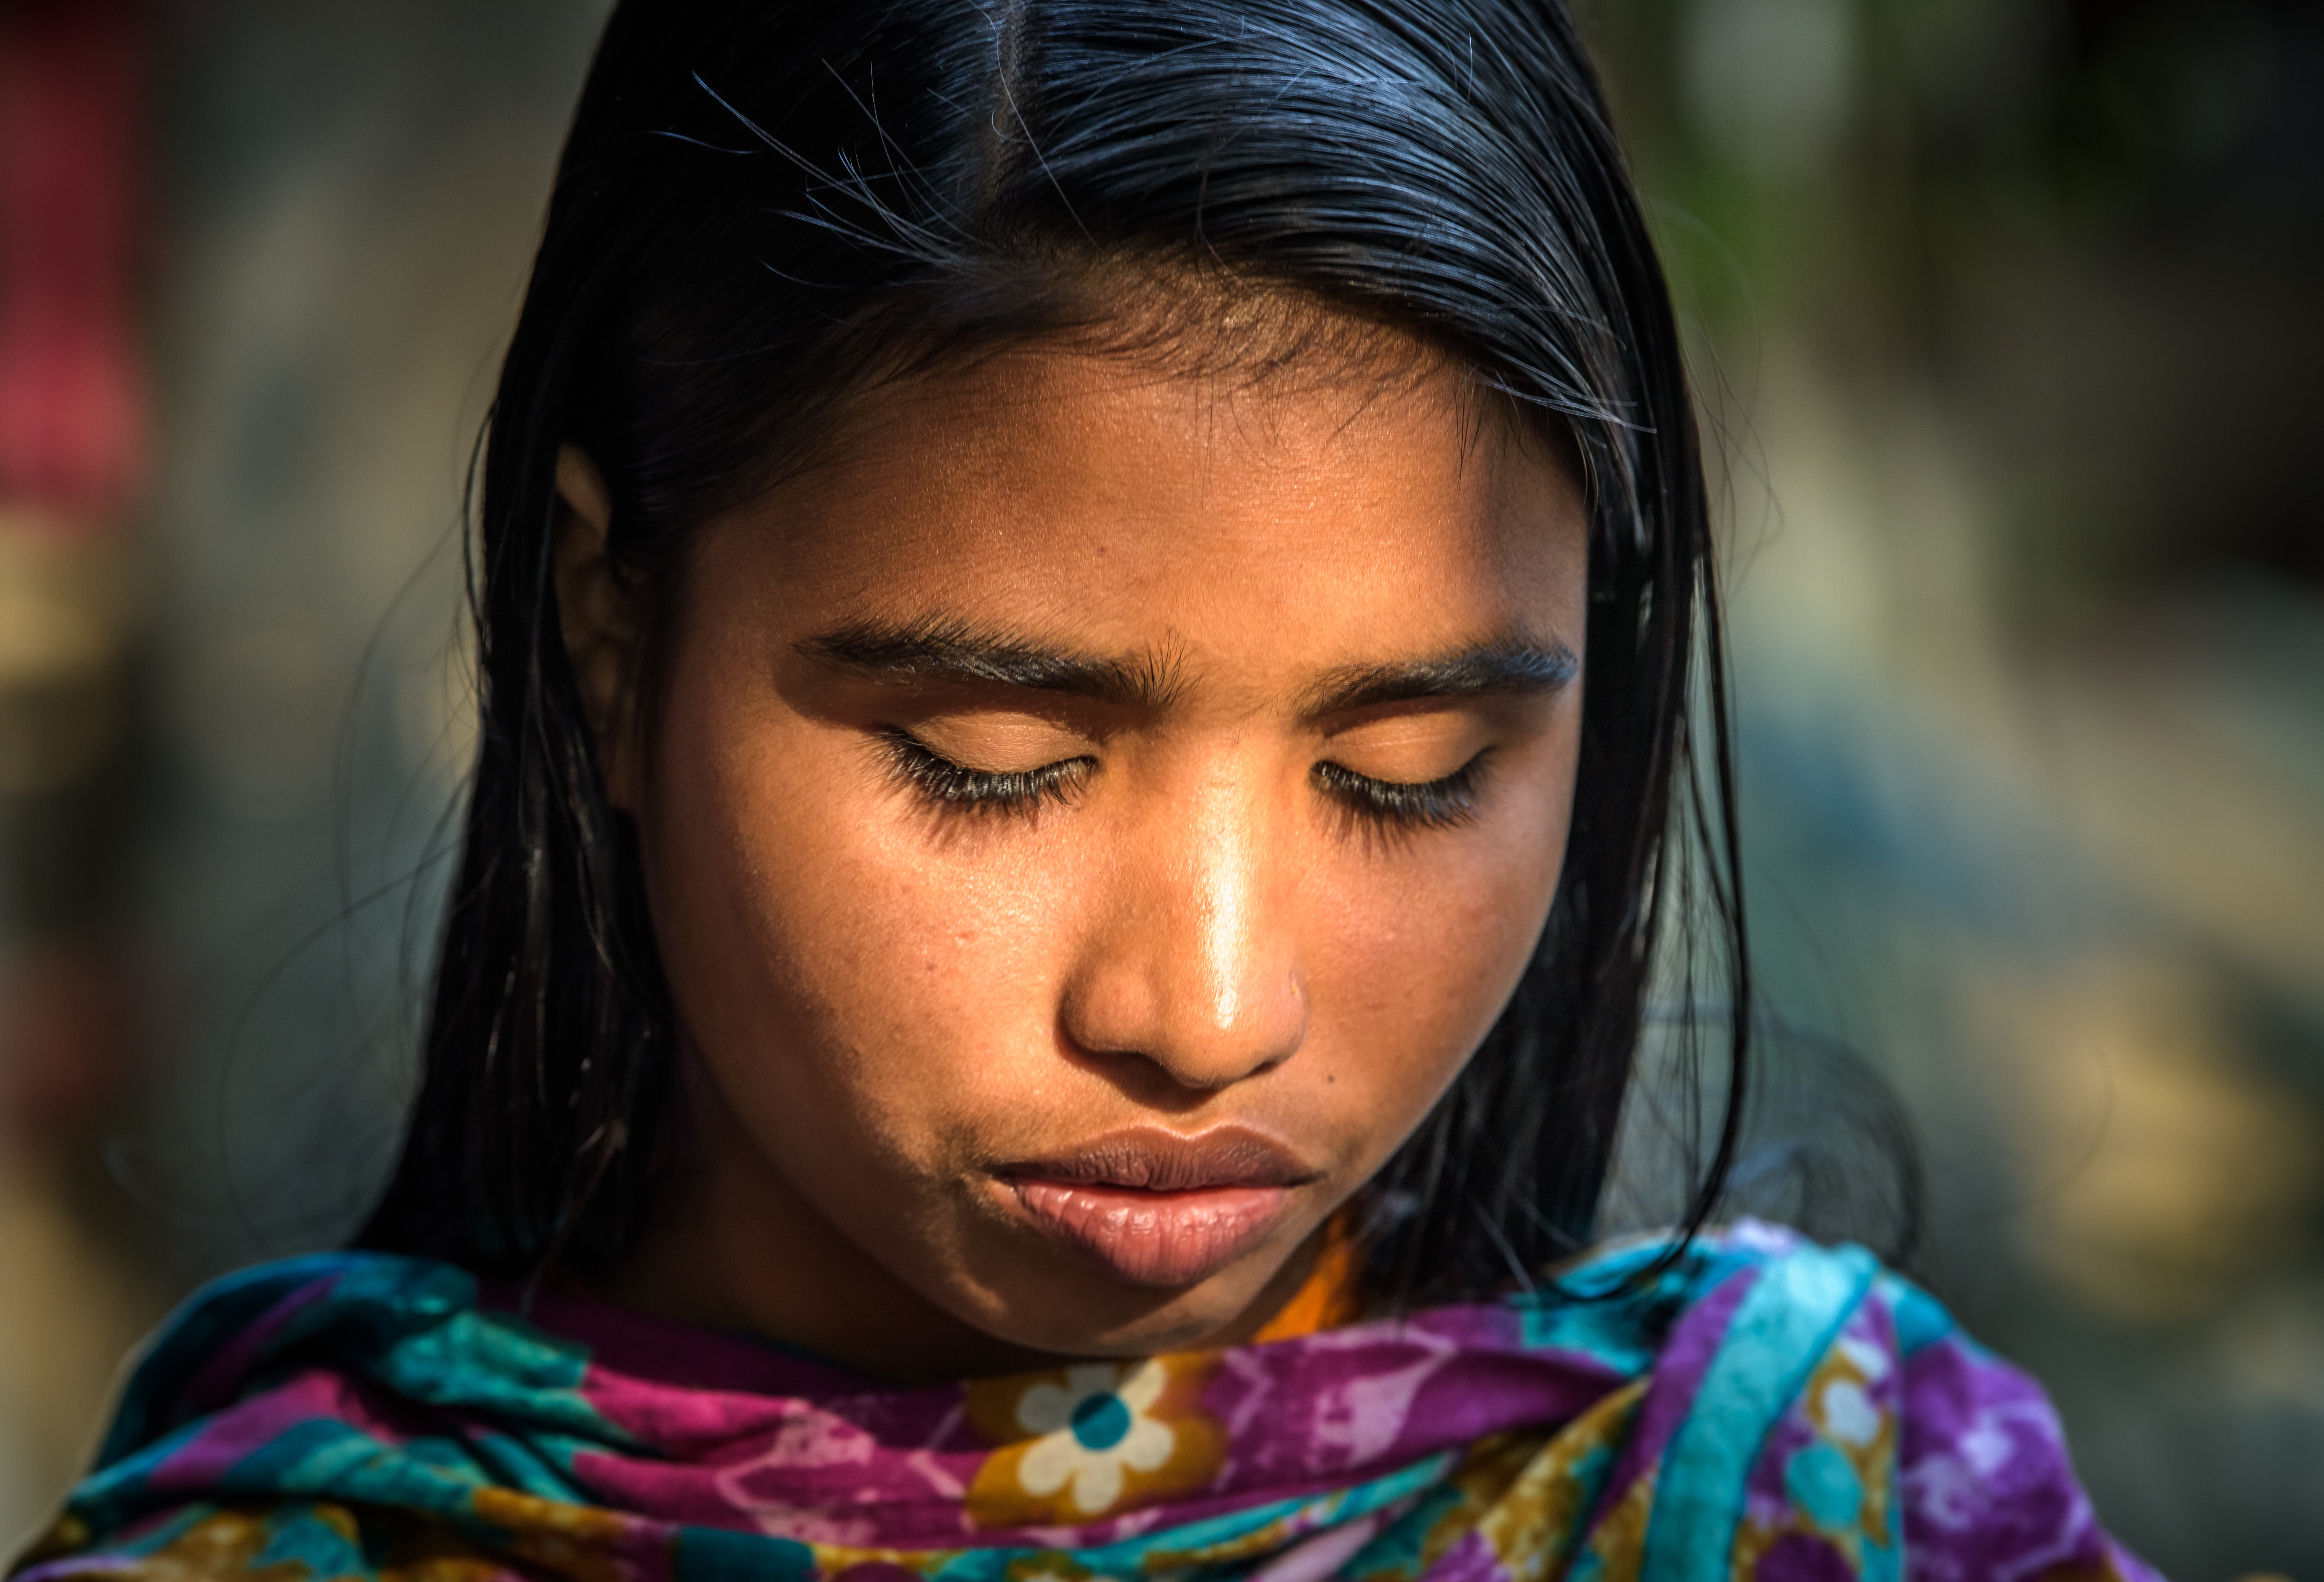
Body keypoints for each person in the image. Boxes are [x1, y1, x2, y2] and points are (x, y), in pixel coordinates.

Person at [10, 2, 2161, 1579]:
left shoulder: (1813, 1515)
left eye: (1412, 775)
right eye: (996, 765)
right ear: (607, 624)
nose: (1209, 1015)